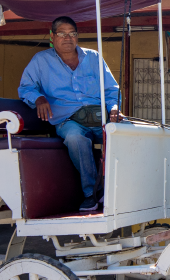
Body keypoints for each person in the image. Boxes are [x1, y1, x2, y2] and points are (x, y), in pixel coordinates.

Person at [19, 16, 121, 211]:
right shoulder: (41, 61)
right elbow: (26, 88)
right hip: (68, 120)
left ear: (77, 36)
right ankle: (91, 193)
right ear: (52, 36)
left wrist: (114, 108)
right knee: (75, 139)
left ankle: (121, 188)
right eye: (62, 34)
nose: (68, 38)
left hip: (100, 118)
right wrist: (38, 98)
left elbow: (111, 89)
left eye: (72, 33)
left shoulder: (93, 57)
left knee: (124, 137)